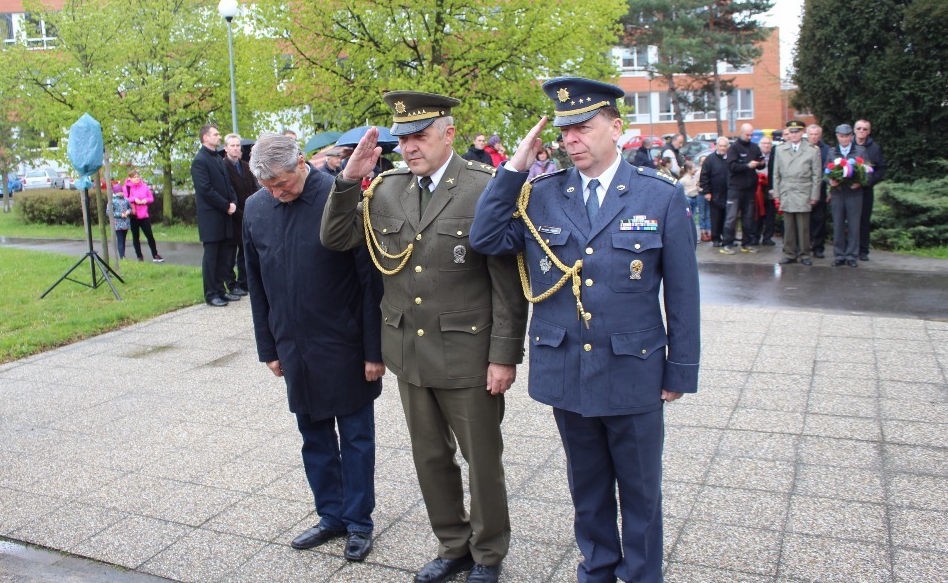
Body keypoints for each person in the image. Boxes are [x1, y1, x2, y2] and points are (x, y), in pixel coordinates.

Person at [469, 76, 700, 583]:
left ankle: (641, 575)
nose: (572, 138)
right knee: (588, 486)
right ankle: (596, 570)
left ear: (615, 128)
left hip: (634, 368)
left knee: (640, 491)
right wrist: (513, 168)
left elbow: (682, 293)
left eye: (583, 127)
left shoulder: (657, 196)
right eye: (564, 130)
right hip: (568, 366)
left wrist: (680, 370)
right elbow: (485, 236)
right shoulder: (542, 194)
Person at [320, 91, 528, 583]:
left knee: (482, 462)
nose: (410, 147)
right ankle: (452, 544)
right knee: (430, 457)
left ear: (449, 134)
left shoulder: (482, 188)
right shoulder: (386, 188)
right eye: (403, 138)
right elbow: (336, 238)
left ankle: (488, 553)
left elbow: (507, 286)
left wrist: (504, 357)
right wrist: (349, 179)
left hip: (468, 354)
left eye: (420, 136)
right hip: (409, 352)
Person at [244, 132, 384, 562]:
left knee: (356, 437)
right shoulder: (256, 208)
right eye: (268, 187)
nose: (277, 193)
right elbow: (256, 281)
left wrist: (374, 352)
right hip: (293, 344)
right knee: (313, 436)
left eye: (282, 183)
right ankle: (331, 515)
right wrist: (268, 347)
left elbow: (369, 281)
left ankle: (359, 521)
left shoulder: (340, 198)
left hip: (343, 343)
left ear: (302, 162)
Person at [191, 125, 239, 307]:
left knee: (224, 256)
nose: (219, 137)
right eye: (216, 134)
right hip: (212, 217)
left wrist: (233, 201)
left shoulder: (218, 158)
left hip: (224, 215)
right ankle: (211, 293)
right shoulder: (200, 161)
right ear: (205, 137)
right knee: (211, 257)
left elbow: (228, 185)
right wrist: (226, 205)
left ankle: (221, 290)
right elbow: (205, 189)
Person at [773, 120, 821, 266]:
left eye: (797, 132)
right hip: (787, 190)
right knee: (788, 226)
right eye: (791, 132)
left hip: (803, 191)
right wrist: (777, 194)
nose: (794, 135)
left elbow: (816, 176)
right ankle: (789, 253)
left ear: (802, 133)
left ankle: (804, 254)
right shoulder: (780, 149)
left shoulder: (812, 150)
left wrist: (814, 196)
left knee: (803, 226)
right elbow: (776, 174)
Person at [720, 123, 764, 255]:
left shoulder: (754, 147)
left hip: (750, 188)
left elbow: (760, 163)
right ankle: (727, 244)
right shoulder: (734, 148)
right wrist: (747, 165)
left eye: (751, 135)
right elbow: (732, 166)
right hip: (735, 188)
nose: (749, 137)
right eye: (747, 134)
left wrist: (761, 164)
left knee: (749, 217)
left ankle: (747, 243)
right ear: (741, 132)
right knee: (731, 217)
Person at [222, 133, 258, 296]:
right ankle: (231, 283)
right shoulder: (223, 167)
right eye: (232, 146)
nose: (236, 148)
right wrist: (237, 210)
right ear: (226, 148)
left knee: (245, 251)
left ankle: (245, 281)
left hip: (247, 212)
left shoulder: (245, 166)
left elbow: (252, 188)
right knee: (230, 253)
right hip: (232, 215)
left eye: (238, 146)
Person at [829, 124, 866, 267]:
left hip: (854, 193)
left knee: (854, 225)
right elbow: (825, 171)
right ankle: (839, 255)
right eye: (841, 136)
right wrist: (830, 181)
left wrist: (861, 182)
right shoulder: (832, 152)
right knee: (837, 224)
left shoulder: (860, 151)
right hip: (837, 193)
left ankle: (851, 255)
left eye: (847, 136)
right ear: (837, 136)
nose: (844, 139)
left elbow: (868, 172)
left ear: (852, 136)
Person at [853, 119, 886, 261]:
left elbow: (881, 168)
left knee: (864, 221)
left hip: (866, 190)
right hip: (849, 190)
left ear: (869, 131)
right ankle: (850, 250)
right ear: (854, 130)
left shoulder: (875, 148)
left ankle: (863, 251)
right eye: (859, 128)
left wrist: (869, 181)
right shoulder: (848, 145)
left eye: (865, 129)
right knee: (849, 221)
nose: (862, 131)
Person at [123, 170, 164, 263]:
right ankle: (139, 256)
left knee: (149, 235)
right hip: (134, 215)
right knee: (136, 236)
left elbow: (151, 198)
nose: (137, 178)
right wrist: (134, 200)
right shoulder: (126, 188)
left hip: (144, 215)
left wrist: (145, 200)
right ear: (130, 178)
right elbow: (125, 199)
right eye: (134, 177)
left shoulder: (144, 186)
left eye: (137, 176)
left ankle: (155, 254)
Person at [699, 137, 730, 246]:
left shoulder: (730, 158)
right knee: (716, 217)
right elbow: (704, 176)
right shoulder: (710, 159)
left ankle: (727, 238)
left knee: (727, 217)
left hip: (728, 193)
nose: (722, 148)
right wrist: (706, 191)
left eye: (725, 146)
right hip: (714, 193)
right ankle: (716, 238)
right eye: (721, 146)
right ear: (716, 146)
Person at [806, 124, 830, 258]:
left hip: (820, 189)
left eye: (816, 134)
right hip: (804, 189)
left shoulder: (826, 150)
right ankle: (805, 245)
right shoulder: (803, 148)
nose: (814, 137)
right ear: (807, 135)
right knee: (805, 220)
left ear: (819, 135)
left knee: (819, 220)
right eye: (811, 134)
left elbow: (829, 170)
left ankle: (818, 247)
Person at [754, 135, 777, 246]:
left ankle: (767, 237)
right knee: (757, 214)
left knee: (770, 214)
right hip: (758, 189)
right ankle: (756, 236)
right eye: (764, 143)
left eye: (769, 144)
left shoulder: (775, 156)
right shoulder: (756, 156)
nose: (767, 146)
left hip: (771, 188)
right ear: (760, 145)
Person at [108, 184, 131, 259]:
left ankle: (123, 254)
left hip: (126, 223)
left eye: (121, 191)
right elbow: (109, 212)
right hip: (117, 223)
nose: (120, 193)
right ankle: (122, 256)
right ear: (114, 192)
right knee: (120, 239)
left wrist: (128, 212)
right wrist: (120, 214)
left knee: (123, 239)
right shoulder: (112, 201)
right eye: (118, 191)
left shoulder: (126, 200)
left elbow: (130, 208)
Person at [678, 160, 700, 230]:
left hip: (695, 198)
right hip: (688, 200)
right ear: (688, 169)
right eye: (693, 168)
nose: (695, 169)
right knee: (688, 216)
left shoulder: (694, 178)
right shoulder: (683, 180)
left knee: (693, 215)